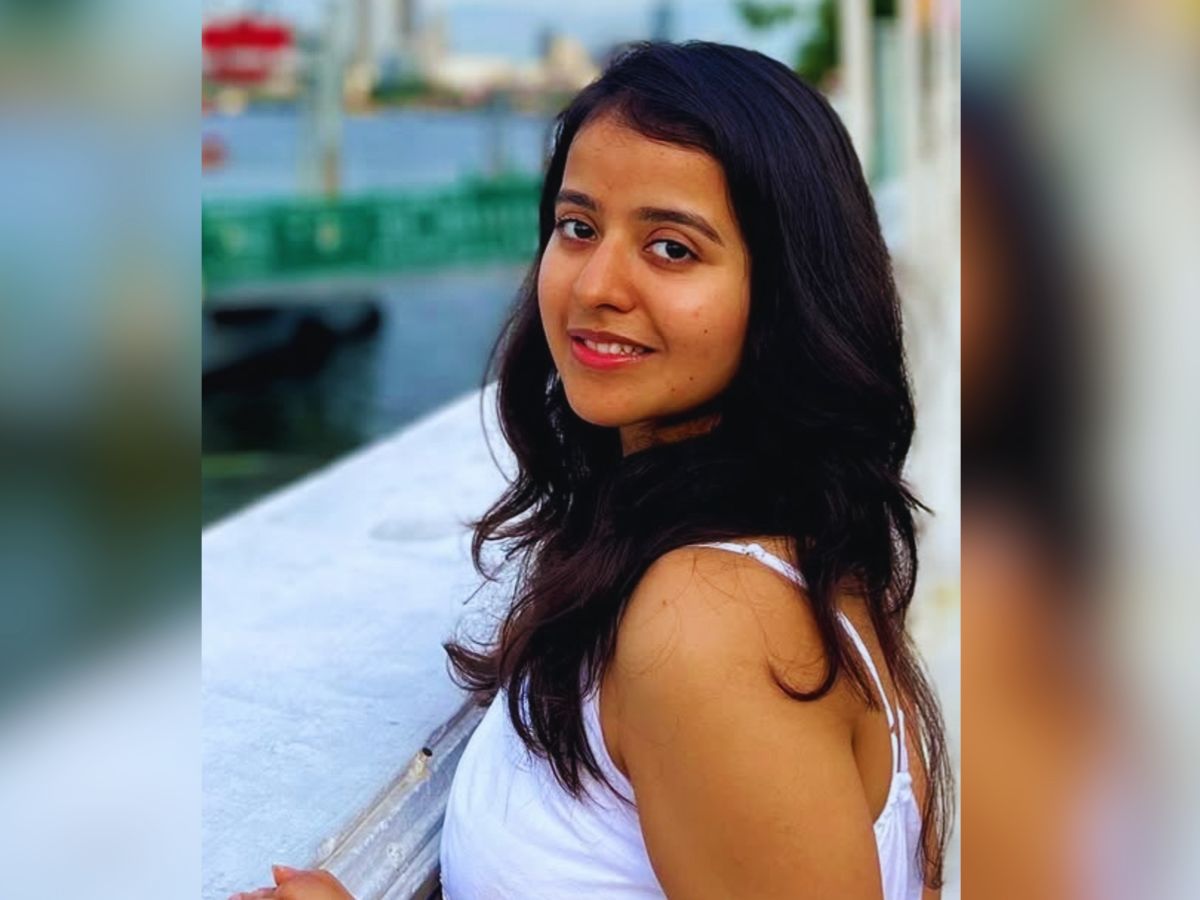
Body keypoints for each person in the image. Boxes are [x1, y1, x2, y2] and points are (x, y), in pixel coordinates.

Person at [231, 40, 952, 900]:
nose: (596, 285)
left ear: (788, 291)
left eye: (672, 248)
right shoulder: (795, 545)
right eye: (578, 228)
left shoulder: (709, 624)